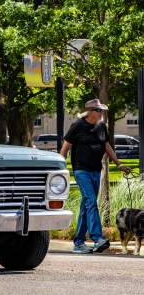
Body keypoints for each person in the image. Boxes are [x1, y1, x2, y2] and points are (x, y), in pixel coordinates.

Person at [60, 99, 131, 254]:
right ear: (90, 111)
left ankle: (78, 242)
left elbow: (107, 146)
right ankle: (98, 238)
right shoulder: (77, 126)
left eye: (102, 111)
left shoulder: (101, 127)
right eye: (99, 110)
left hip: (96, 171)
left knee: (87, 205)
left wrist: (118, 164)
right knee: (91, 202)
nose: (102, 113)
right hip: (81, 171)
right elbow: (65, 148)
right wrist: (61, 167)